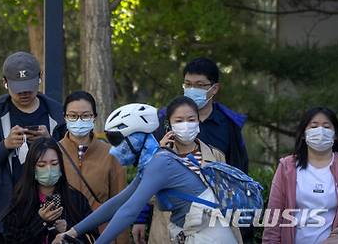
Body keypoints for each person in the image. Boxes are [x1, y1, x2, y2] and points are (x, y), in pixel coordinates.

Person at [54, 103, 237, 244]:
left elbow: (129, 212)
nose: (115, 148)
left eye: (118, 140)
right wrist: (73, 232)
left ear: (138, 138)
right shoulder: (152, 163)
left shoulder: (160, 163)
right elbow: (118, 202)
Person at [0, 51, 65, 244]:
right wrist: (4, 146)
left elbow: (76, 162)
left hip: (52, 217)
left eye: (28, 87)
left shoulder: (57, 114)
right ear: (5, 82)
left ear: (40, 78)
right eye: (18, 88)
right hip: (4, 222)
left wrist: (51, 142)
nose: (24, 94)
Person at [133, 96, 242, 244]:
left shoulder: (216, 156)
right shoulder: (158, 157)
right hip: (169, 235)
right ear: (169, 125)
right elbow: (148, 196)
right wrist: (158, 155)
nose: (186, 125)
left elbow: (228, 201)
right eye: (179, 121)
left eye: (191, 120)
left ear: (198, 122)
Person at [263, 107, 338, 244]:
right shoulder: (287, 167)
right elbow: (274, 217)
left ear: (335, 134)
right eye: (314, 126)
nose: (320, 131)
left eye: (326, 127)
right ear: (303, 134)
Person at [58, 91, 129, 244]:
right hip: (62, 236)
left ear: (94, 117)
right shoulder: (52, 153)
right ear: (64, 117)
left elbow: (122, 205)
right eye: (72, 115)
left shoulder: (112, 154)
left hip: (100, 237)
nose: (79, 120)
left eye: (85, 115)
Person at [3, 137, 97, 244]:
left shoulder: (76, 199)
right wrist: (40, 221)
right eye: (41, 165)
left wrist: (69, 230)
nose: (49, 169)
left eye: (54, 164)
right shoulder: (20, 202)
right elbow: (11, 239)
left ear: (61, 165)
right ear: (32, 168)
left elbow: (93, 237)